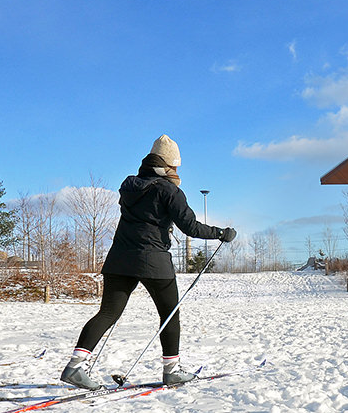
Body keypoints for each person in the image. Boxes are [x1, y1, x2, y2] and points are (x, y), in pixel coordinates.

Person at [61, 135, 236, 389]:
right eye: (175, 166)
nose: (177, 170)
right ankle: (172, 370)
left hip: (119, 258)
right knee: (169, 314)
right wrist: (221, 233)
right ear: (169, 165)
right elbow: (190, 226)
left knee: (108, 313)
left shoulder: (129, 186)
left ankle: (75, 366)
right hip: (153, 261)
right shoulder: (169, 190)